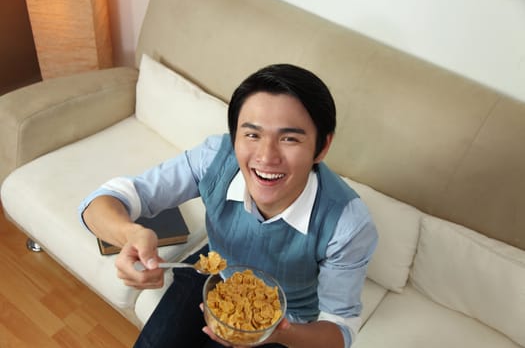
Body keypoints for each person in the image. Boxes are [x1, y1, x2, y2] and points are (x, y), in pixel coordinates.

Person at [79, 64, 378, 348]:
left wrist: (277, 333)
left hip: (288, 319)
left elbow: (339, 331)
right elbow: (104, 200)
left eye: (289, 138)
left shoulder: (347, 223)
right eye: (252, 134)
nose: (266, 157)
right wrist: (129, 234)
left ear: (322, 147)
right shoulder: (214, 159)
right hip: (213, 271)